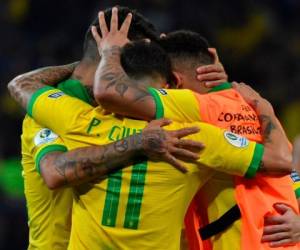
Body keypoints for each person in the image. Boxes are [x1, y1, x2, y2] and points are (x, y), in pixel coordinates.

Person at [8, 9, 294, 249]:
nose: (169, 87)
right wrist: (137, 143)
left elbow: (270, 168)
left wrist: (212, 85)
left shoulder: (172, 122)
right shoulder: (57, 111)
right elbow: (55, 172)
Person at [91, 9, 298, 249]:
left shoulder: (192, 106)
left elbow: (108, 91)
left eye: (166, 82)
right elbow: (289, 178)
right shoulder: (253, 105)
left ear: (175, 82)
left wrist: (111, 52)